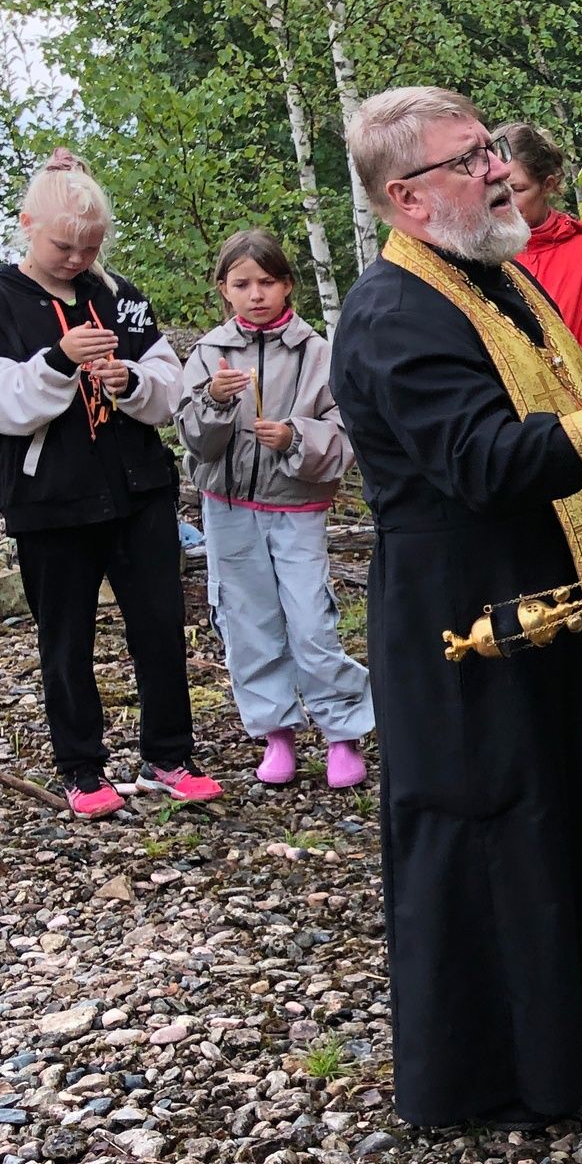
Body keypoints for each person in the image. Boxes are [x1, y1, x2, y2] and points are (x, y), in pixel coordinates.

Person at [329, 87, 582, 1127]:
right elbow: (481, 462)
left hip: (546, 597)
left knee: (565, 807)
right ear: (407, 198)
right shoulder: (391, 313)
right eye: (469, 159)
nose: (498, 170)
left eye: (491, 148)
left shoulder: (495, 277)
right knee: (493, 825)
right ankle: (497, 1076)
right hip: (462, 617)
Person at [0, 150, 223, 817]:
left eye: (91, 247)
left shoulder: (120, 296)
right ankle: (81, 767)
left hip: (138, 490)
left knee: (160, 626)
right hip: (50, 501)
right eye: (64, 246)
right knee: (66, 638)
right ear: (27, 226)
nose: (78, 259)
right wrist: (57, 361)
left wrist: (131, 382)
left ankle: (170, 755)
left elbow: (169, 387)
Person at [177, 228, 376, 789]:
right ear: (224, 289)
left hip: (297, 506)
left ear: (288, 285)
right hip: (228, 508)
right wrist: (215, 402)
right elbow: (194, 440)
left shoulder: (318, 353)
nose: (256, 294)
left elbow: (347, 432)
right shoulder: (209, 354)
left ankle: (342, 733)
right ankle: (276, 733)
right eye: (242, 284)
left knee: (311, 622)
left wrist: (293, 438)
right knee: (247, 620)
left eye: (267, 282)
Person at [502, 122, 582, 396]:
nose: (503, 201)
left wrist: (537, 389)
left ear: (547, 185)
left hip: (565, 414)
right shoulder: (468, 255)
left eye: (517, 189)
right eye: (495, 187)